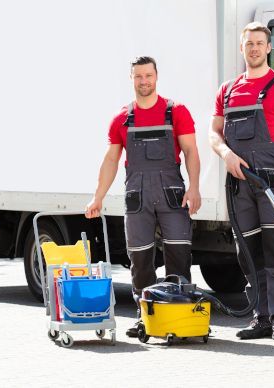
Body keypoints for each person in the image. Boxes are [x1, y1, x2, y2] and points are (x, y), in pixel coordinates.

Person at [86, 56, 201, 337]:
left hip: (171, 195)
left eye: (148, 76)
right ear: (131, 79)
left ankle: (181, 313)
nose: (144, 81)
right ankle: (145, 318)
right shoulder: (122, 118)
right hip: (137, 196)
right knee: (140, 259)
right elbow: (111, 160)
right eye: (138, 76)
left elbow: (191, 152)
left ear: (156, 76)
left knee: (178, 254)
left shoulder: (176, 111)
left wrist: (195, 187)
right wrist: (97, 197)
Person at [209, 22, 274, 343]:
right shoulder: (228, 89)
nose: (253, 48)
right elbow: (214, 133)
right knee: (248, 252)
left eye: (259, 43)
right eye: (248, 43)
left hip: (272, 184)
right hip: (240, 187)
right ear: (242, 48)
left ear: (268, 48)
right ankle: (261, 317)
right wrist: (226, 154)